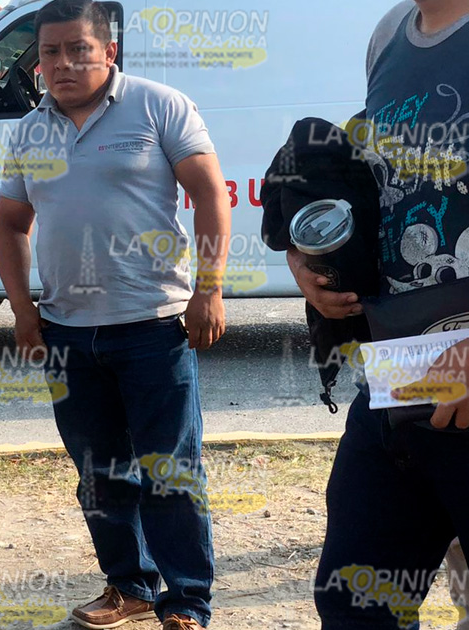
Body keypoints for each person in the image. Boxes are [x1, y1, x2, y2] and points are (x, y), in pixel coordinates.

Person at [0, 1, 231, 628]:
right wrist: (22, 311)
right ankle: (128, 586)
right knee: (99, 475)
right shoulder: (28, 132)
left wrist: (209, 289)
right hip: (67, 333)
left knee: (170, 472)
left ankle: (185, 604)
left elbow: (209, 195)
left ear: (109, 52)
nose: (64, 64)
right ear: (37, 59)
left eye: (79, 49)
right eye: (50, 52)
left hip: (154, 325)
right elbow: (11, 225)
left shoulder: (160, 106)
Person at [296, 1, 469, 627]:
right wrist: (312, 258)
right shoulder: (390, 33)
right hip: (402, 375)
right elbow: (374, 187)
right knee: (356, 604)